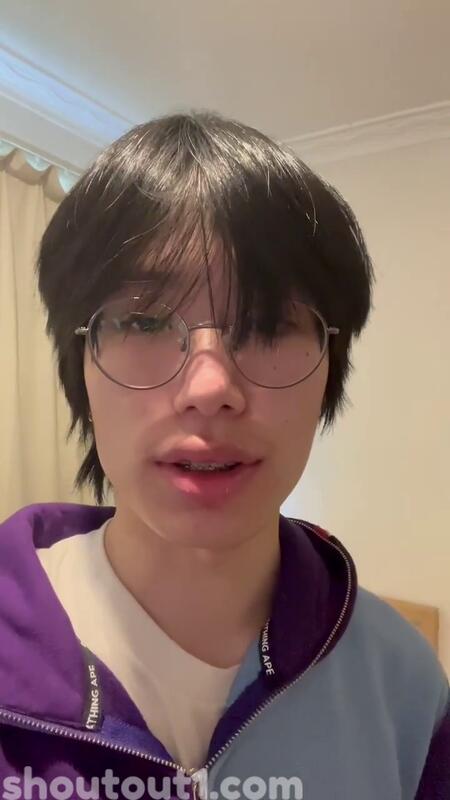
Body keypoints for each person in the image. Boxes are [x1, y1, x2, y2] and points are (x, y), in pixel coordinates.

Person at [0, 112, 448, 800]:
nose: (210, 389)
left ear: (332, 368)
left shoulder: (405, 687)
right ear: (78, 363)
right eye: (144, 320)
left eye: (267, 324)